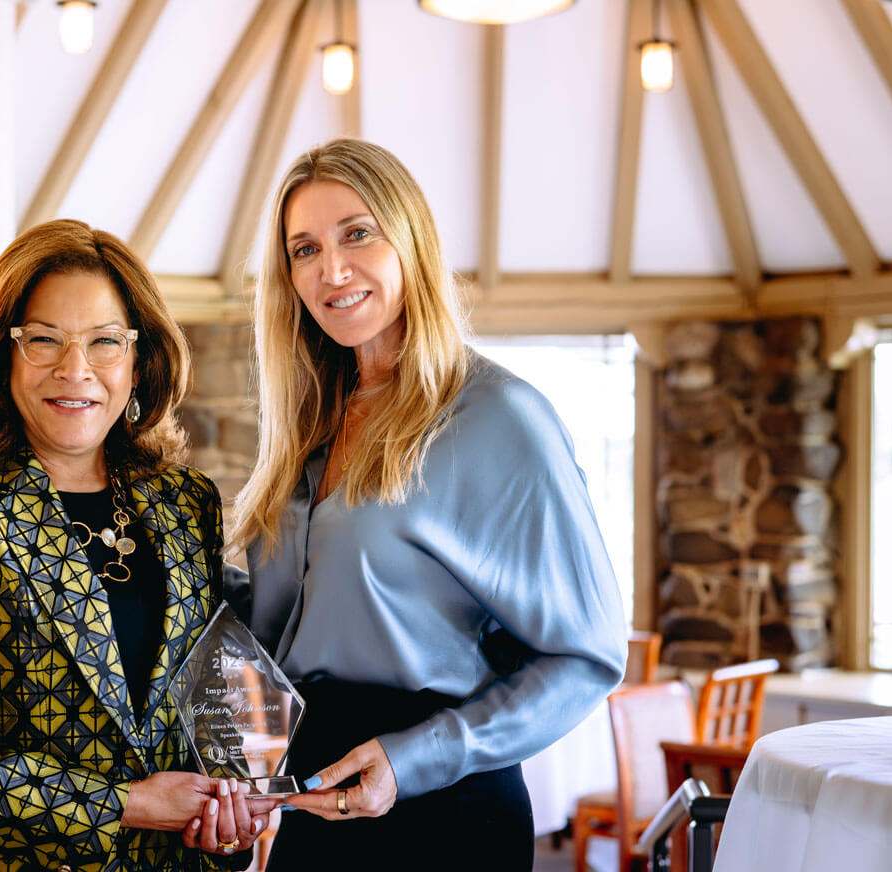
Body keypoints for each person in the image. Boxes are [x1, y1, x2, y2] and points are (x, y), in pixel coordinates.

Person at [228, 139, 626, 869]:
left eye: (357, 234)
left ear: (411, 239)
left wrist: (418, 758)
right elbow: (297, 619)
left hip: (443, 812)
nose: (332, 270)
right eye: (304, 249)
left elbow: (587, 656)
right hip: (314, 803)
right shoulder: (312, 423)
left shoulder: (502, 418)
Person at [0, 219, 273, 872]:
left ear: (139, 359)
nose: (75, 370)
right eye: (43, 339)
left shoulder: (185, 504)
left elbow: (211, 726)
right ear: (2, 354)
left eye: (105, 341)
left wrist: (230, 815)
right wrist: (123, 804)